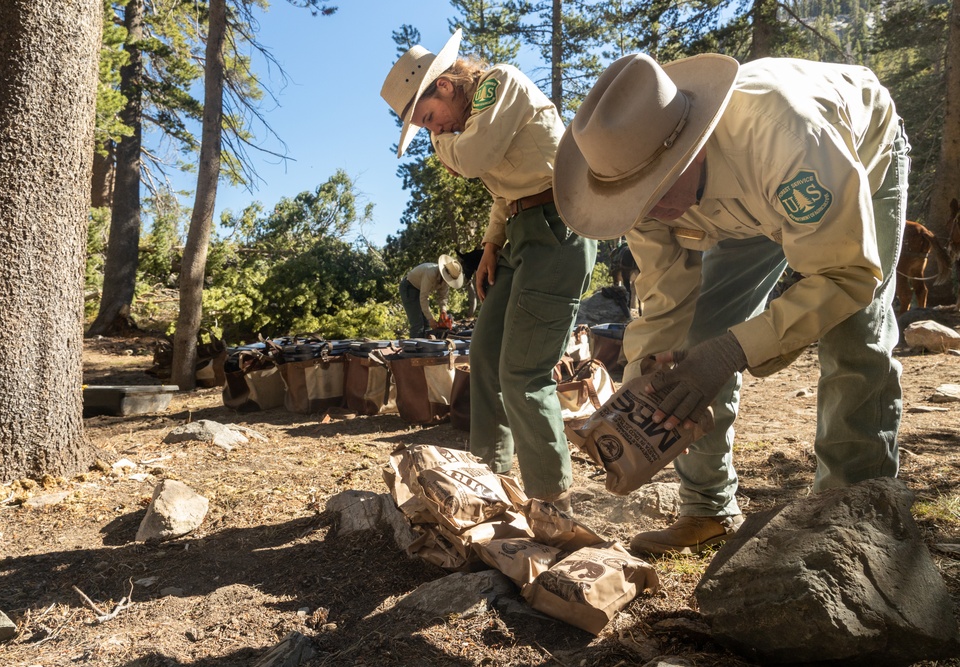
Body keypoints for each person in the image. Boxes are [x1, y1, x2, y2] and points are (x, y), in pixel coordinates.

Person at [553, 53, 908, 554]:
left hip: (858, 167)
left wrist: (728, 354)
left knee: (855, 338)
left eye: (654, 192)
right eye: (635, 200)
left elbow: (845, 275)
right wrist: (638, 396)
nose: (647, 212)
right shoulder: (631, 177)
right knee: (696, 338)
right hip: (739, 207)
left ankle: (851, 520)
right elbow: (664, 298)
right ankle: (707, 509)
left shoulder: (785, 137)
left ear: (691, 145)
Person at [381, 30, 597, 508]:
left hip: (559, 230)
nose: (434, 131)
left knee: (523, 373)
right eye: (427, 128)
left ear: (443, 87)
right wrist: (492, 244)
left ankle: (551, 501)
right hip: (523, 232)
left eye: (430, 120)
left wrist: (442, 146)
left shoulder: (501, 83)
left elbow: (475, 159)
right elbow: (503, 190)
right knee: (483, 357)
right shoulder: (472, 121)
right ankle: (490, 479)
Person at [400, 254, 464, 338]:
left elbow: (443, 297)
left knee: (427, 325)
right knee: (418, 324)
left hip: (420, 290)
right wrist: (431, 318)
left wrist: (443, 311)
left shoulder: (445, 281)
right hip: (409, 287)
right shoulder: (431, 273)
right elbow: (424, 297)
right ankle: (414, 349)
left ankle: (425, 347)